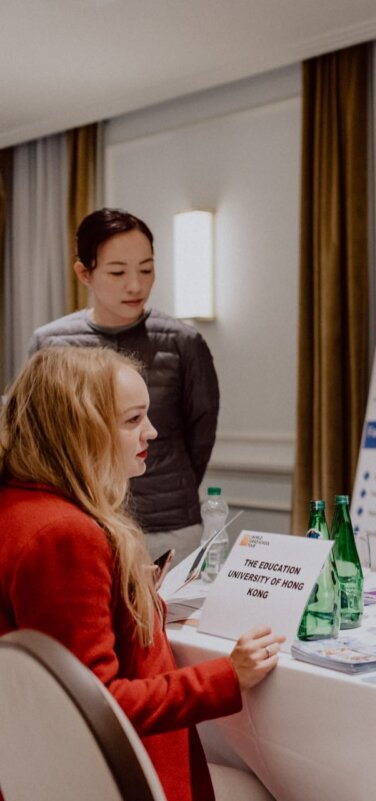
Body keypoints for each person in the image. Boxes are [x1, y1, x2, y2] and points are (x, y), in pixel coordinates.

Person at [0, 347, 283, 801]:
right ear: (80, 430)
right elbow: (100, 704)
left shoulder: (19, 505)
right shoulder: (64, 534)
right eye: (133, 420)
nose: (151, 432)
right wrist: (229, 675)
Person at [30, 208, 219, 561]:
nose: (136, 285)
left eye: (146, 269)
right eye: (117, 272)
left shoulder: (183, 342)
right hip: (79, 520)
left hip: (168, 522)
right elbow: (40, 436)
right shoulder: (51, 344)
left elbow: (201, 433)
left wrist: (164, 485)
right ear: (84, 273)